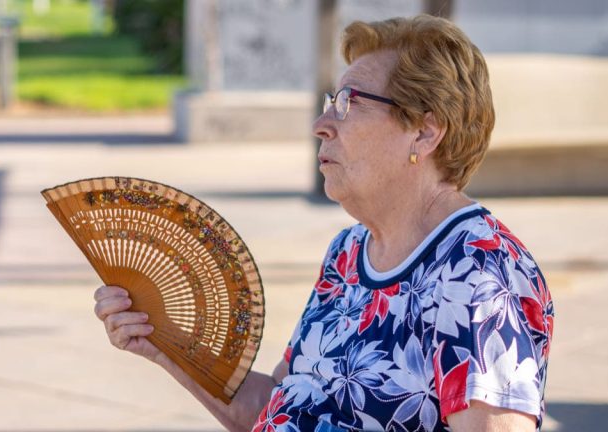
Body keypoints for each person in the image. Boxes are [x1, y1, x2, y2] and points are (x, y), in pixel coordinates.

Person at [93, 14, 554, 432]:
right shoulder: (349, 253)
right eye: (331, 101)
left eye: (348, 103)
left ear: (424, 131)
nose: (321, 123)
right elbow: (279, 406)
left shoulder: (479, 273)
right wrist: (167, 342)